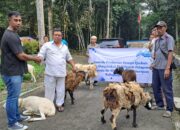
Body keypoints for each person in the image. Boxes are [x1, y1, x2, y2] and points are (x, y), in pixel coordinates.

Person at [0, 11, 41, 130]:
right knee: (12, 98)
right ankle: (12, 124)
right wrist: (34, 58)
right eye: (15, 20)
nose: (18, 23)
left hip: (14, 71)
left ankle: (17, 117)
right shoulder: (10, 36)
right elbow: (20, 55)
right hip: (11, 72)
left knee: (14, 96)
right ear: (9, 20)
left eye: (20, 20)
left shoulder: (13, 34)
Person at [38, 28, 75, 112]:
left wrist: (73, 65)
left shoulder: (64, 47)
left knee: (61, 90)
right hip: (50, 73)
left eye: (59, 35)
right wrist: (39, 58)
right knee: (49, 90)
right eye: (56, 35)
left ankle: (59, 104)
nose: (57, 36)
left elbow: (69, 58)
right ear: (53, 36)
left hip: (62, 73)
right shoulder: (47, 45)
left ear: (62, 36)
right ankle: (48, 106)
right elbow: (41, 55)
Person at [151, 21, 175, 118]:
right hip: (156, 68)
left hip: (164, 68)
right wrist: (153, 63)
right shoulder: (156, 40)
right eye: (157, 28)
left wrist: (168, 68)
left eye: (160, 27)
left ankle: (169, 109)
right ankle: (160, 104)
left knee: (167, 89)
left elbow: (170, 54)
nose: (158, 29)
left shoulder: (169, 38)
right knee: (155, 87)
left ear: (165, 28)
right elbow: (156, 54)